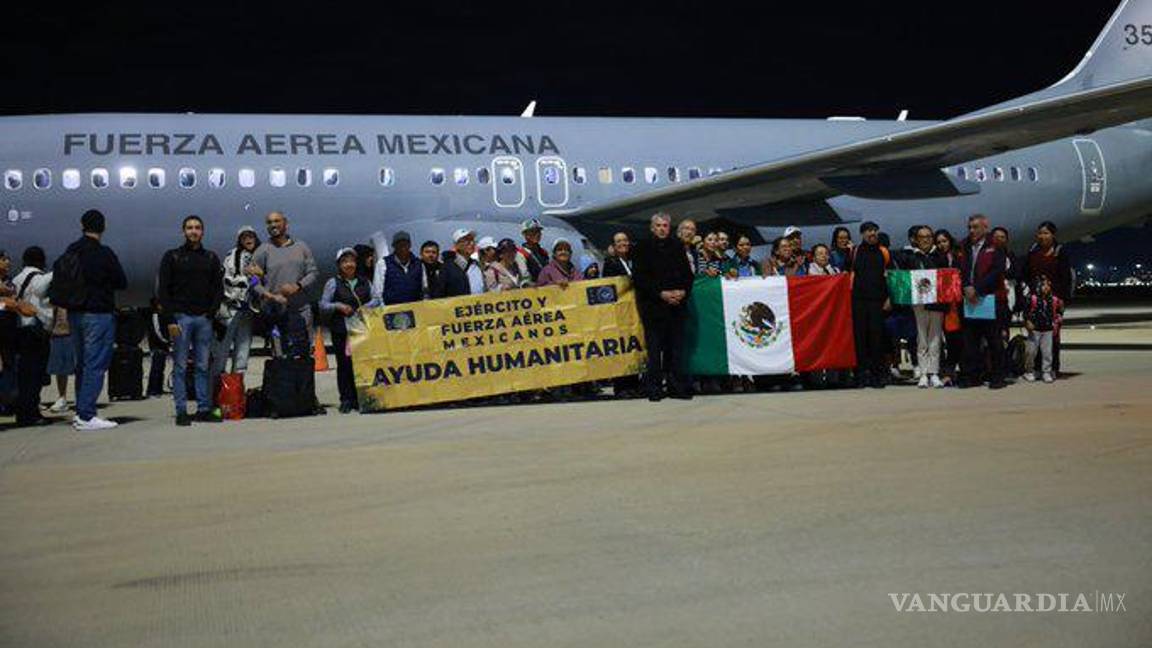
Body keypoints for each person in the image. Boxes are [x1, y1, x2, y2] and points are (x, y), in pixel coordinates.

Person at [54, 210, 128, 430]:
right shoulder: (104, 253)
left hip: (75, 314)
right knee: (95, 364)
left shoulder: (71, 250)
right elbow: (121, 281)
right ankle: (86, 415)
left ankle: (81, 411)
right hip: (98, 313)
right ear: (103, 227)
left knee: (83, 364)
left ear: (82, 225)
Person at [157, 215, 225, 425]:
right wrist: (169, 319)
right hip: (181, 318)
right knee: (180, 366)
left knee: (203, 366)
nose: (193, 231)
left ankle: (203, 408)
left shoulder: (211, 258)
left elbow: (218, 288)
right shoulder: (172, 257)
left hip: (204, 319)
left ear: (202, 232)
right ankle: (181, 411)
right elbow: (163, 290)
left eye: (197, 227)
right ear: (183, 231)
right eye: (189, 228)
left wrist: (211, 313)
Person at [632, 214, 695, 401]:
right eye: (658, 225)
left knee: (674, 350)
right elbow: (639, 278)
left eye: (665, 225)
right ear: (652, 228)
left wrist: (683, 292)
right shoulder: (642, 247)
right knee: (654, 351)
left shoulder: (677, 246)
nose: (662, 229)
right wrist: (661, 294)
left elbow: (687, 274)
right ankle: (654, 388)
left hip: (676, 307)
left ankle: (675, 387)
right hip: (653, 308)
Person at [320, 248, 380, 413]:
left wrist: (365, 307)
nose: (349, 265)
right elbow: (323, 304)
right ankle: (346, 399)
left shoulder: (365, 282)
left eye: (352, 261)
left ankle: (363, 397)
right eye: (345, 262)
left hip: (361, 329)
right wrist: (338, 306)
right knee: (344, 365)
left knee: (363, 363)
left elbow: (377, 299)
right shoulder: (333, 283)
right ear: (339, 265)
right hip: (342, 329)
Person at [248, 211, 319, 347]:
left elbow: (313, 273)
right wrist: (271, 296)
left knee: (303, 351)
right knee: (280, 353)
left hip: (301, 310)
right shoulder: (262, 251)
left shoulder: (301, 247)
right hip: (275, 312)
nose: (273, 225)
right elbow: (253, 281)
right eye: (269, 222)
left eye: (277, 221)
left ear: (285, 223)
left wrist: (297, 286)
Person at [960, 214, 1008, 389]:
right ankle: (973, 376)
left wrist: (977, 289)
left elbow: (997, 271)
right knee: (970, 341)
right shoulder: (964, 245)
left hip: (990, 298)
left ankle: (997, 376)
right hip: (970, 299)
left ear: (985, 228)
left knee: (994, 340)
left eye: (975, 227)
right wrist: (966, 287)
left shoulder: (995, 246)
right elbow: (961, 269)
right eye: (970, 227)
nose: (971, 230)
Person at [8, 247, 54, 426]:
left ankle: (24, 412)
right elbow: (42, 295)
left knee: (25, 375)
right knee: (35, 375)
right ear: (41, 261)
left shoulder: (16, 279)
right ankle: (31, 413)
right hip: (36, 330)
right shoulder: (40, 278)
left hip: (21, 329)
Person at [1024, 221, 1072, 376]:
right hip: (1036, 301)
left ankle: (1053, 367)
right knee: (1036, 335)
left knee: (1053, 335)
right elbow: (1026, 273)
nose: (1042, 236)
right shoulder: (1033, 251)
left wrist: (1063, 298)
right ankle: (1038, 368)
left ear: (1053, 235)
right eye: (1040, 233)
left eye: (1046, 233)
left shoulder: (1060, 252)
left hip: (1054, 300)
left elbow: (1066, 277)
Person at [212, 226, 259, 380]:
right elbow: (228, 279)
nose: (248, 239)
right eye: (244, 237)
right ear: (240, 240)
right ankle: (217, 385)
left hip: (247, 310)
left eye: (251, 236)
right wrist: (250, 279)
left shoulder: (258, 255)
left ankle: (236, 388)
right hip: (230, 308)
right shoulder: (233, 255)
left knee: (243, 349)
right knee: (222, 348)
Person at [850, 221, 892, 388]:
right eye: (868, 230)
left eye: (874, 230)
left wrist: (890, 298)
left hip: (878, 302)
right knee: (859, 339)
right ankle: (861, 375)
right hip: (858, 301)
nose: (872, 233)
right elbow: (847, 273)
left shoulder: (884, 252)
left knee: (877, 339)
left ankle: (877, 376)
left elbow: (891, 277)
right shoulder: (854, 251)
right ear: (862, 234)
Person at [904, 226, 947, 388]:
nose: (926, 240)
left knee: (935, 338)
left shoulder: (940, 256)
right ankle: (923, 373)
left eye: (929, 236)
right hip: (919, 302)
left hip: (936, 302)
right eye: (922, 237)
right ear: (916, 239)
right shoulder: (910, 257)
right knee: (921, 338)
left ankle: (934, 373)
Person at [933, 229, 965, 384]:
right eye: (939, 242)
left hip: (961, 302)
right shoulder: (936, 258)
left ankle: (962, 370)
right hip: (945, 303)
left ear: (950, 240)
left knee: (962, 338)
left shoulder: (960, 255)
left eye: (944, 241)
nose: (942, 245)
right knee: (950, 338)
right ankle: (947, 372)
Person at [1022, 274, 1063, 384]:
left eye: (1048, 285)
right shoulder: (1032, 298)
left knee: (1047, 353)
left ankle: (1046, 371)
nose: (1046, 287)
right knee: (1031, 352)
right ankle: (1029, 371)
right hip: (1034, 329)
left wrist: (1056, 322)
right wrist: (1027, 321)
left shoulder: (1054, 299)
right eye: (1043, 285)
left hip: (1048, 329)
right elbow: (1025, 312)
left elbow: (1058, 313)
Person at [373, 231, 425, 306]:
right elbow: (377, 293)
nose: (403, 247)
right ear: (393, 246)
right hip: (392, 309)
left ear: (410, 245)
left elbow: (424, 288)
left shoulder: (418, 264)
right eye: (399, 244)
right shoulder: (383, 263)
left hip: (415, 308)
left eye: (405, 244)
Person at [45, 307, 75, 413]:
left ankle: (82, 397)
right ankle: (62, 397)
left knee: (80, 367)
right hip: (59, 332)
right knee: (60, 369)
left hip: (75, 331)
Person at [439, 229, 484, 297]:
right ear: (457, 245)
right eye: (467, 241)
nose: (472, 244)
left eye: (472, 240)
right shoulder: (447, 267)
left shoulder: (476, 265)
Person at [146, 298, 170, 398]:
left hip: (162, 346)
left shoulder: (162, 316)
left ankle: (159, 388)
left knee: (161, 368)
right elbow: (157, 331)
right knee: (156, 369)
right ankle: (152, 390)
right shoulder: (155, 316)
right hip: (157, 346)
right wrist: (166, 341)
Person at [517, 218, 550, 283]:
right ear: (525, 235)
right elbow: (525, 277)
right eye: (533, 231)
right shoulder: (521, 254)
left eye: (538, 231)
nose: (537, 234)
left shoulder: (543, 252)